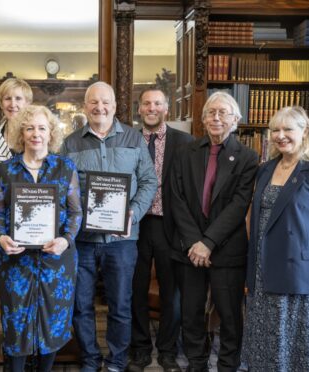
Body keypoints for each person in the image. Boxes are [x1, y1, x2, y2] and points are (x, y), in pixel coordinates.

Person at [241, 106, 309, 371]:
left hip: (301, 276)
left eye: (288, 129)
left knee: (298, 347)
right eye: (275, 130)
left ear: (305, 131)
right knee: (264, 342)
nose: (280, 135)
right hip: (263, 271)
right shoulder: (265, 169)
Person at [61, 81, 157, 372]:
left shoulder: (134, 138)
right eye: (93, 102)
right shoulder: (70, 142)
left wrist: (133, 214)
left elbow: (149, 181)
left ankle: (116, 361)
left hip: (123, 240)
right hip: (84, 239)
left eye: (105, 102)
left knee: (120, 304)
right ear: (85, 106)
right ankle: (90, 359)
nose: (99, 107)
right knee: (81, 304)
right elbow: (63, 188)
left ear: (115, 106)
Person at [0, 105, 82, 372]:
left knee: (52, 318)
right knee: (17, 320)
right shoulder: (5, 170)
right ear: (21, 132)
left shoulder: (65, 168)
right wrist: (2, 237)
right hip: (16, 261)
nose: (35, 134)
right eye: (29, 128)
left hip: (56, 261)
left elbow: (76, 211)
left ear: (51, 132)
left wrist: (65, 240)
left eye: (42, 128)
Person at [170, 91, 258, 372]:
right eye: (211, 112)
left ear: (236, 119)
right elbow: (177, 198)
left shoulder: (247, 157)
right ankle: (196, 363)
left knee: (230, 315)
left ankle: (227, 365)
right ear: (203, 118)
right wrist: (195, 242)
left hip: (227, 249)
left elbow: (238, 205)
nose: (216, 117)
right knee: (191, 313)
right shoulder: (186, 152)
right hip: (190, 249)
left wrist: (207, 242)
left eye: (223, 112)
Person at [128, 88, 193, 372]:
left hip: (171, 226)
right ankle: (140, 349)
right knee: (135, 290)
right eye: (146, 103)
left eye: (157, 103)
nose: (151, 108)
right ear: (139, 109)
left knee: (172, 292)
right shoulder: (128, 140)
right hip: (135, 226)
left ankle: (168, 351)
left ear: (167, 108)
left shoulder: (185, 142)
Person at [0, 77, 33, 173]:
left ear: (27, 103)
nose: (13, 104)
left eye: (18, 98)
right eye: (7, 98)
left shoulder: (37, 135)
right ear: (1, 104)